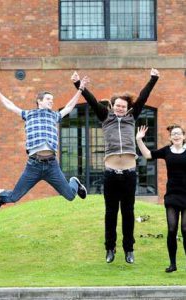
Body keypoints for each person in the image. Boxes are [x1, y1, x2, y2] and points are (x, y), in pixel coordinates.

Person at [71, 68, 159, 264]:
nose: (120, 108)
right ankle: (110, 249)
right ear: (112, 106)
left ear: (127, 108)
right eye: (117, 105)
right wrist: (78, 85)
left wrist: (153, 78)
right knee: (110, 214)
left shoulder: (131, 117)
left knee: (128, 213)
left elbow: (144, 97)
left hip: (129, 174)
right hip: (111, 174)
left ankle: (129, 249)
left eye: (123, 106)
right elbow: (92, 101)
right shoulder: (106, 117)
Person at [0, 76, 88, 214]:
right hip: (33, 166)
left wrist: (80, 89)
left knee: (70, 196)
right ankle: (0, 198)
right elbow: (10, 105)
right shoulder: (28, 114)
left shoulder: (55, 116)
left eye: (52, 100)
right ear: (39, 101)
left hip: (52, 165)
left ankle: (75, 182)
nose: (51, 102)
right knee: (14, 197)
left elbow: (70, 106)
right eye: (48, 99)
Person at [136, 124, 186, 273]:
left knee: (185, 229)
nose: (176, 136)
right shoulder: (166, 151)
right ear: (170, 138)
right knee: (172, 229)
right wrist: (139, 140)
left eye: (179, 133)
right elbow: (148, 155)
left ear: (184, 136)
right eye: (173, 134)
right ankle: (173, 264)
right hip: (172, 195)